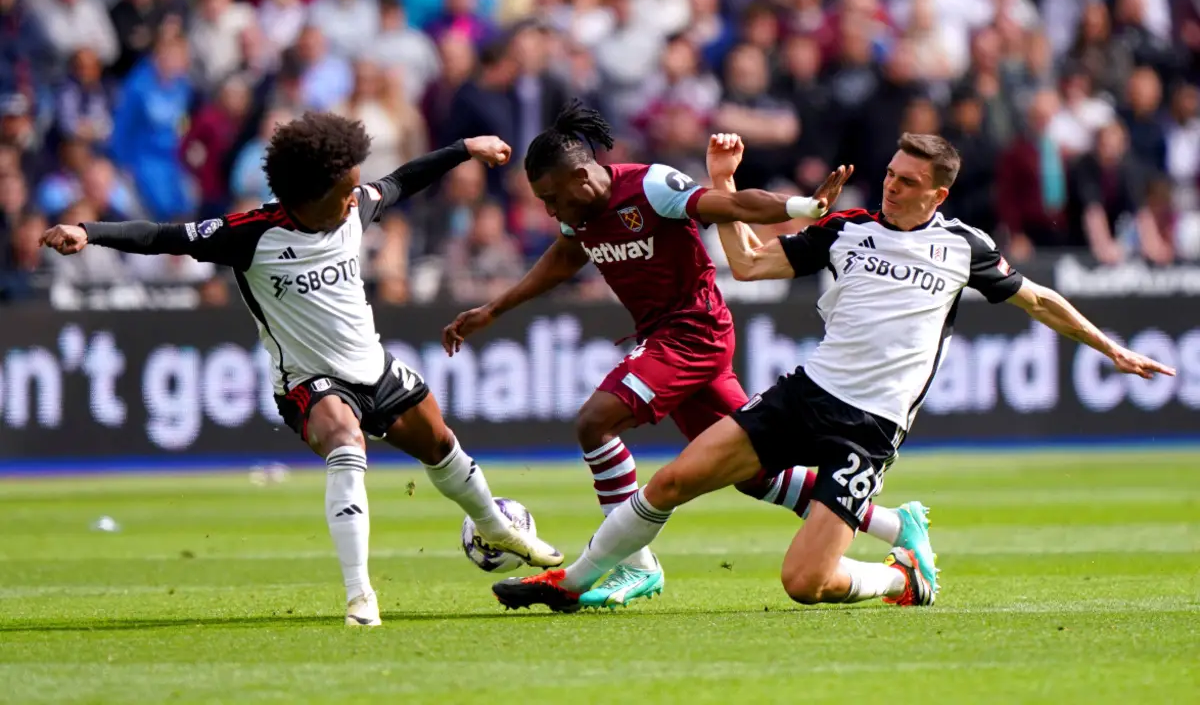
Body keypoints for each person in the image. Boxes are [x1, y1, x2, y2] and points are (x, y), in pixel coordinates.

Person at [491, 132, 1176, 612]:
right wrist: (725, 185)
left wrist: (1107, 347)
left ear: (937, 194)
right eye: (890, 175)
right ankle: (574, 582)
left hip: (868, 429)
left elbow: (1039, 300)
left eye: (908, 182)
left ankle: (900, 579)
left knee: (803, 581)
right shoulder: (848, 229)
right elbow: (752, 263)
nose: (893, 187)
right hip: (804, 394)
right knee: (672, 481)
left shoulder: (964, 247)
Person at [39, 113, 564, 627]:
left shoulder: (354, 208)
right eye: (344, 191)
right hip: (308, 381)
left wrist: (464, 147)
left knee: (440, 443)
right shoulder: (249, 234)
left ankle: (495, 527)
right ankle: (361, 596)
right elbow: (162, 235)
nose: (354, 198)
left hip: (373, 367)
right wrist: (89, 230)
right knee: (344, 438)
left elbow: (403, 180)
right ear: (308, 196)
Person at [443, 102, 934, 609]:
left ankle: (635, 567)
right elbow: (565, 258)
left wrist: (802, 209)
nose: (549, 210)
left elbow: (734, 207)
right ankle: (898, 524)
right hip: (667, 338)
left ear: (580, 177)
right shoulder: (580, 214)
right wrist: (493, 309)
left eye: (551, 198)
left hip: (693, 332)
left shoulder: (652, 187)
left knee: (595, 422)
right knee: (754, 475)